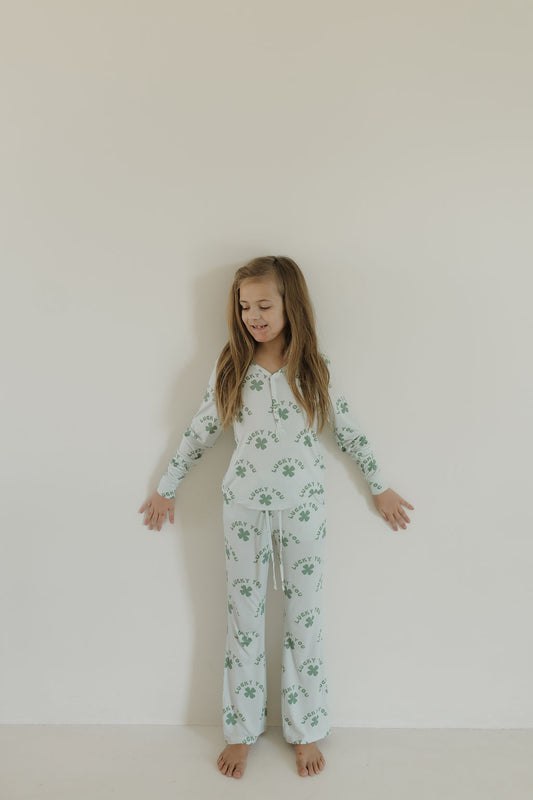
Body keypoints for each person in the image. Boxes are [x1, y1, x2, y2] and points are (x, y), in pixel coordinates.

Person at [139, 255, 414, 779]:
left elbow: (349, 432)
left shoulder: (314, 369)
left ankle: (305, 727)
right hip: (243, 509)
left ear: (292, 305)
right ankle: (241, 731)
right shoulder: (232, 367)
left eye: (264, 305)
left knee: (304, 621)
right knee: (244, 621)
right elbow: (202, 432)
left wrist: (380, 486)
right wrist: (166, 487)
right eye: (245, 307)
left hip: (304, 509)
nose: (253, 316)